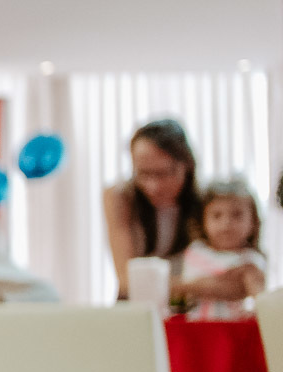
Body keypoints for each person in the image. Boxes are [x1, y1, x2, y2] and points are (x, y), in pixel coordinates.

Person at [102, 119, 202, 300]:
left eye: (163, 173)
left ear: (186, 165)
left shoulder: (206, 202)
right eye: (143, 173)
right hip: (137, 309)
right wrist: (194, 286)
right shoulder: (120, 197)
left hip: (190, 310)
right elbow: (127, 281)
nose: (153, 186)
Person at [178, 178, 266, 319]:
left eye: (237, 215)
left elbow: (259, 298)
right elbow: (189, 292)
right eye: (216, 216)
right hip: (197, 330)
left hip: (236, 332)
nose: (226, 224)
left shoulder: (252, 259)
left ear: (253, 222)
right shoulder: (196, 252)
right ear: (203, 221)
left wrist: (177, 285)